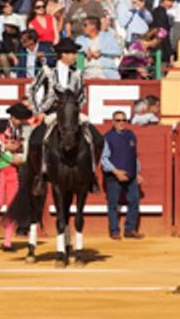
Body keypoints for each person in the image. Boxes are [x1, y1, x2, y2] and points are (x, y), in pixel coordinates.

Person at [27, 37, 98, 188]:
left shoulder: (77, 74)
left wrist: (75, 109)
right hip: (51, 113)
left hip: (71, 115)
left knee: (96, 139)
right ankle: (40, 175)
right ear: (63, 54)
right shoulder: (47, 72)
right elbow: (32, 90)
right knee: (36, 141)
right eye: (72, 53)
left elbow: (82, 95)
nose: (74, 56)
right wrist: (38, 111)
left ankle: (91, 174)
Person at [0, 102, 32, 252]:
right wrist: (4, 147)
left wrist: (21, 157)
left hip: (15, 170)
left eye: (22, 119)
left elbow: (24, 148)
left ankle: (7, 242)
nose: (21, 122)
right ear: (13, 116)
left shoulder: (24, 130)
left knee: (12, 206)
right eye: (19, 118)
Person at [101, 111, 144, 240]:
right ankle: (114, 231)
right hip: (114, 176)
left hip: (131, 175)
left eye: (123, 120)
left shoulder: (131, 135)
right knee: (113, 204)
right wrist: (116, 172)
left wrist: (137, 173)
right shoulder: (107, 137)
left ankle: (130, 229)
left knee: (134, 201)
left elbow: (134, 156)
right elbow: (104, 159)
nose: (121, 123)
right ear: (113, 122)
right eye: (118, 120)